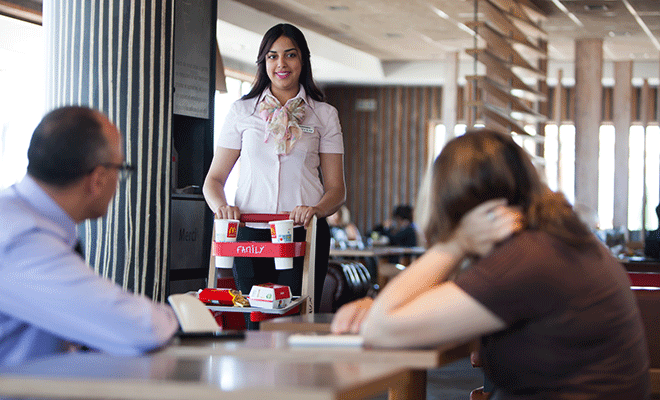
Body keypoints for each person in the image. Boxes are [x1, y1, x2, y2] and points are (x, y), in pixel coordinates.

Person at [332, 129, 650, 399]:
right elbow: (418, 318)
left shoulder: (527, 258)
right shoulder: (553, 237)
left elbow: (379, 331)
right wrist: (381, 307)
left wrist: (456, 243)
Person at [0, 106, 179, 370]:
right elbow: (141, 328)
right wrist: (178, 315)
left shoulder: (6, 215)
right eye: (120, 169)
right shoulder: (18, 241)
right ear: (98, 179)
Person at [203, 23, 346, 314]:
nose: (281, 63)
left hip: (303, 233)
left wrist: (316, 210)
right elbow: (213, 180)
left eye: (290, 55)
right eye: (272, 56)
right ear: (263, 62)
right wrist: (223, 208)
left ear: (302, 60)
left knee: (293, 322)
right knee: (251, 318)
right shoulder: (242, 111)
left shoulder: (325, 114)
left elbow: (337, 189)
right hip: (248, 234)